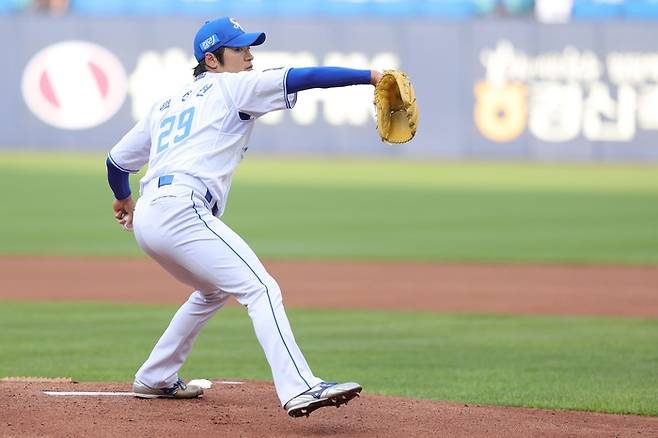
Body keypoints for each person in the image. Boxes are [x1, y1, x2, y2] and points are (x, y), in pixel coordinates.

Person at [106, 16, 383, 418]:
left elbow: (116, 161)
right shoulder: (233, 87)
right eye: (239, 49)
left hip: (151, 214)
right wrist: (371, 75)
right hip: (183, 208)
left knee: (213, 291)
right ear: (212, 60)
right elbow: (303, 77)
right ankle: (301, 387)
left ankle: (156, 376)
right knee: (261, 289)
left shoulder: (166, 104)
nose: (249, 56)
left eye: (249, 47)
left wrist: (123, 199)